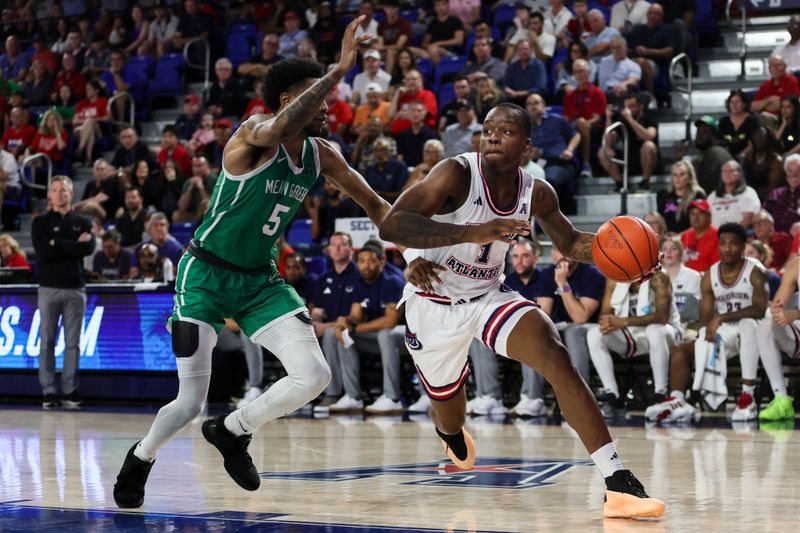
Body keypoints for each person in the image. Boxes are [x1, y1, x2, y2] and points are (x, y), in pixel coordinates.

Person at [113, 19, 396, 509]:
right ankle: (140, 457)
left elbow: (378, 209)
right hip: (204, 275)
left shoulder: (322, 155)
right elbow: (280, 126)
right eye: (317, 96)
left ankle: (232, 430)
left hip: (260, 281)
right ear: (289, 101)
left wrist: (426, 249)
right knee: (187, 404)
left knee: (314, 375)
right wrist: (338, 69)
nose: (328, 106)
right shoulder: (250, 137)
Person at [380, 103, 664, 518]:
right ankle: (450, 431)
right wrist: (470, 232)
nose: (493, 136)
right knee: (450, 415)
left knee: (555, 353)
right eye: (488, 129)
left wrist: (628, 259)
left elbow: (570, 243)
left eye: (506, 131)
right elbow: (392, 224)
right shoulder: (456, 173)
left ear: (527, 146)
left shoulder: (537, 192)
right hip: (433, 304)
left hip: (487, 296)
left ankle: (617, 481)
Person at [646, 224, 768, 423]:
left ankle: (748, 396)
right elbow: (706, 317)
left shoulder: (756, 271)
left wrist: (720, 318)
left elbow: (759, 310)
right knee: (681, 349)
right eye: (723, 244)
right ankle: (678, 401)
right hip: (725, 331)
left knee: (748, 324)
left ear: (743, 246)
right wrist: (708, 330)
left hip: (755, 333)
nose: (728, 249)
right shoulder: (710, 275)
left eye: (734, 244)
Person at [31, 176, 95, 410]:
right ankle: (48, 391)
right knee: (46, 341)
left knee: (73, 343)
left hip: (76, 288)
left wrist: (56, 243)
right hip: (48, 288)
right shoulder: (40, 223)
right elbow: (43, 252)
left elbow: (88, 248)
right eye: (55, 190)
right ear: (50, 195)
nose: (60, 194)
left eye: (64, 190)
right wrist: (72, 245)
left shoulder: (83, 220)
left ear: (71, 193)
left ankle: (69, 390)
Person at [324, 240, 407, 413]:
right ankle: (353, 397)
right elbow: (356, 316)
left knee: (385, 334)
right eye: (361, 261)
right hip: (376, 337)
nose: (366, 266)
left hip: (405, 337)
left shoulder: (393, 282)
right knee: (337, 334)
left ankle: (393, 398)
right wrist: (344, 323)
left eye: (371, 261)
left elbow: (390, 321)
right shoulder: (360, 282)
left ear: (381, 262)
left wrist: (354, 329)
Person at [586, 270, 681, 417]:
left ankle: (660, 395)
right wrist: (607, 322)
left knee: (654, 331)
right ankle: (614, 398)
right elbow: (605, 313)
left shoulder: (659, 276)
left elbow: (663, 317)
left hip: (667, 332)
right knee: (594, 334)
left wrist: (623, 321)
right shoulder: (615, 278)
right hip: (632, 335)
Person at [755, 256, 800, 421]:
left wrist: (795, 314)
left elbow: (794, 314)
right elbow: (778, 304)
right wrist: (777, 311)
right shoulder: (796, 265)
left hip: (797, 317)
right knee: (766, 325)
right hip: (798, 329)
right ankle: (781, 399)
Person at [598, 91, 658, 191]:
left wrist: (630, 120)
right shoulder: (620, 121)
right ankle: (620, 183)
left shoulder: (649, 119)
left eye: (632, 106)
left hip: (647, 160)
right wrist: (608, 118)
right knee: (602, 151)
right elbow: (609, 140)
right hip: (627, 158)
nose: (628, 110)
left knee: (649, 145)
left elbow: (649, 137)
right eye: (626, 107)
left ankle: (645, 182)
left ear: (641, 107)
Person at [526, 93, 580, 202]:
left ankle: (546, 216)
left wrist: (569, 150)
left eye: (536, 103)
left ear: (544, 105)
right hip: (537, 163)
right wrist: (530, 154)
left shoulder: (557, 120)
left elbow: (575, 135)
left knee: (547, 181)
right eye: (529, 104)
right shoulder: (526, 127)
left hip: (560, 163)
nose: (533, 106)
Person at [563, 58, 606, 178]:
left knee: (581, 123)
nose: (579, 74)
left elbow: (597, 118)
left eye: (581, 71)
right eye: (576, 72)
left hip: (593, 127)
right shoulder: (569, 96)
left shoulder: (597, 92)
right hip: (574, 126)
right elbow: (566, 118)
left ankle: (586, 164)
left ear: (589, 72)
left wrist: (583, 123)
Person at [624, 4, 674, 96]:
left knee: (641, 62)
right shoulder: (638, 29)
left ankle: (650, 96)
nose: (652, 16)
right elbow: (627, 46)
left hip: (655, 64)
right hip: (633, 60)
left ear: (662, 16)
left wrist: (647, 51)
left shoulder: (667, 29)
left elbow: (669, 51)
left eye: (656, 13)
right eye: (650, 13)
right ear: (646, 15)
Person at [676, 116, 733, 195]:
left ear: (714, 136)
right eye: (698, 132)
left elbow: (702, 183)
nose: (699, 135)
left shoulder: (716, 153)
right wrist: (680, 159)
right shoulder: (705, 154)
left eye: (705, 132)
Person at [656, 160, 706, 234]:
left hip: (690, 237)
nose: (678, 178)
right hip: (668, 239)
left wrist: (679, 236)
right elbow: (659, 221)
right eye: (675, 175)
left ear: (690, 177)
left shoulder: (698, 195)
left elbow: (701, 224)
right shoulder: (664, 195)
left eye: (682, 174)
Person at [708, 160, 760, 228]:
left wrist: (732, 233)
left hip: (738, 234)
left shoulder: (748, 192)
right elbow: (706, 217)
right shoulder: (713, 195)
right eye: (724, 171)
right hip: (714, 235)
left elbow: (747, 219)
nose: (727, 174)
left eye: (731, 171)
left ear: (739, 173)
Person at [751, 55, 800, 129]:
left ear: (785, 66)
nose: (775, 68)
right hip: (768, 119)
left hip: (787, 119)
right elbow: (753, 107)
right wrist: (768, 100)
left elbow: (792, 105)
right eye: (772, 66)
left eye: (778, 65)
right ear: (769, 69)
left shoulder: (791, 81)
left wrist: (764, 106)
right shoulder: (766, 85)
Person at [130, 212, 184, 278]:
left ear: (167, 228)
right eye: (155, 225)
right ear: (149, 230)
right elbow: (133, 272)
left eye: (162, 225)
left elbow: (175, 274)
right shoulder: (141, 249)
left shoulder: (176, 249)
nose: (159, 228)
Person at [742, 125, 785, 197]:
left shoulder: (776, 160)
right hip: (748, 195)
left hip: (769, 197)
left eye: (762, 136)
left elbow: (773, 188)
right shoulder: (749, 156)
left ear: (768, 138)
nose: (759, 139)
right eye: (756, 136)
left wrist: (750, 193)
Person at [173, 156, 217, 223]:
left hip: (211, 212)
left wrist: (201, 188)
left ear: (207, 167)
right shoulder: (189, 182)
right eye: (194, 166)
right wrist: (189, 189)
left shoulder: (214, 180)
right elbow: (182, 207)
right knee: (176, 215)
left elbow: (211, 205)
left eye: (200, 166)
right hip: (195, 214)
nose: (196, 169)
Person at [503, 40, 547, 106]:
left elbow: (541, 88)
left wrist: (517, 93)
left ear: (531, 50)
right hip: (515, 100)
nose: (523, 52)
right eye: (520, 49)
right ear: (517, 52)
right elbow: (506, 84)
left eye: (526, 49)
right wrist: (507, 90)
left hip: (532, 99)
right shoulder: (512, 66)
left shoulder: (539, 65)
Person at [763, 154, 800, 233]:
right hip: (773, 237)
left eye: (798, 170)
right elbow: (763, 213)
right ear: (785, 173)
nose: (794, 175)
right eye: (790, 170)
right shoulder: (776, 193)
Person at [395, 101, 438, 167]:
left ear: (425, 113)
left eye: (419, 111)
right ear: (408, 113)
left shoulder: (431, 135)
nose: (416, 114)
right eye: (413, 111)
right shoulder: (402, 135)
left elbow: (432, 159)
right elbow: (400, 157)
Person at [680, 199, 719, 273]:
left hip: (707, 279)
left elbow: (717, 267)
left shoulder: (718, 236)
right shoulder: (685, 235)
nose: (695, 217)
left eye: (700, 213)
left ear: (709, 217)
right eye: (692, 213)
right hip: (685, 280)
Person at [597, 38, 641, 102]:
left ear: (625, 47)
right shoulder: (603, 61)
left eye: (619, 47)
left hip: (618, 95)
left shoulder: (633, 66)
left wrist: (624, 84)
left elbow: (633, 79)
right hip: (601, 95)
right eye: (613, 48)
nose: (616, 50)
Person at [718, 90, 757, 160]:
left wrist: (741, 156)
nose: (734, 105)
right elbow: (720, 143)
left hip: (747, 157)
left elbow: (752, 145)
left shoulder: (752, 122)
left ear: (744, 104)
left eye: (737, 102)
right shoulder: (723, 122)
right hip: (726, 157)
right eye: (731, 102)